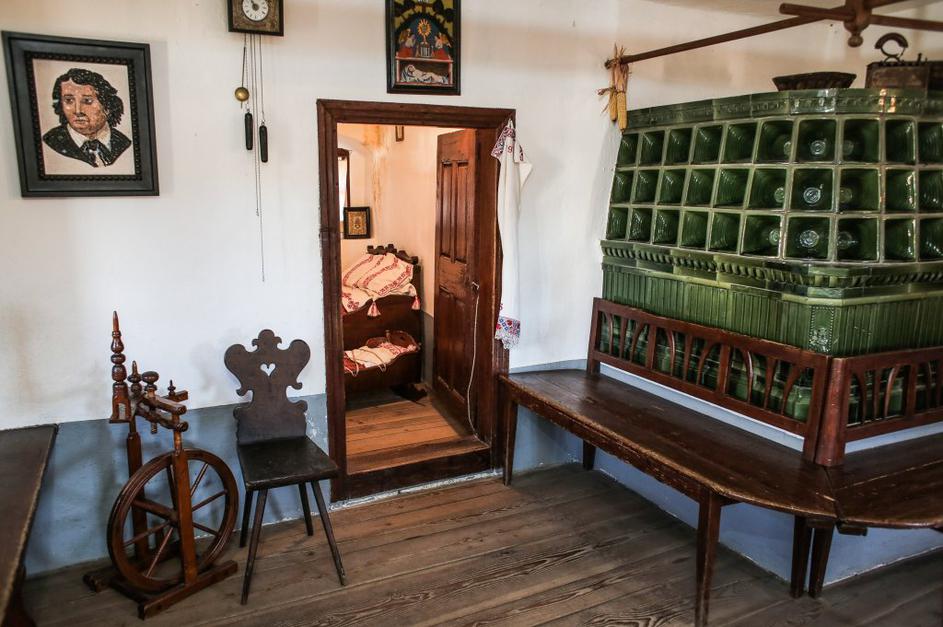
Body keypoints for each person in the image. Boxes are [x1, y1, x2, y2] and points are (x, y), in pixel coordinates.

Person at [42, 68, 130, 167]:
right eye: (69, 100)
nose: (78, 111)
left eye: (87, 101)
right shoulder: (51, 142)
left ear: (107, 106)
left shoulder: (124, 144)